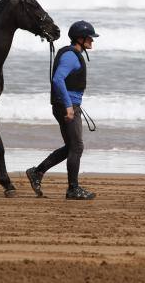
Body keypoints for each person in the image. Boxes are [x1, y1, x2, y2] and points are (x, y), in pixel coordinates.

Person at [26, 20, 99, 200]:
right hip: (67, 107)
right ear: (80, 39)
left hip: (67, 105)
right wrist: (68, 106)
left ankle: (37, 172)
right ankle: (73, 189)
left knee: (71, 147)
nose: (93, 40)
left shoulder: (73, 54)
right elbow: (58, 80)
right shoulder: (70, 56)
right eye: (90, 37)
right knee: (77, 146)